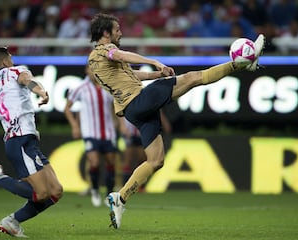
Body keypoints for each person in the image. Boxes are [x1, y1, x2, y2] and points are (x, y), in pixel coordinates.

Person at [88, 13, 265, 229]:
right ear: (106, 33)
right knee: (193, 78)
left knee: (155, 161)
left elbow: (131, 75)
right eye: (117, 30)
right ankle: (241, 64)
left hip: (134, 110)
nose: (121, 33)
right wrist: (154, 61)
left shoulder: (98, 60)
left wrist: (156, 74)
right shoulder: (102, 51)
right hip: (138, 101)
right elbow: (121, 55)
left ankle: (120, 197)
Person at [0, 46, 63, 237]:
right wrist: (42, 92)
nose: (12, 60)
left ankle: (11, 221)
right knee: (42, 194)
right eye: (10, 57)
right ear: (5, 61)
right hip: (20, 139)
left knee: (55, 191)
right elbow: (27, 81)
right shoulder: (15, 71)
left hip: (25, 141)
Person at [64, 65, 117, 207]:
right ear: (87, 71)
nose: (94, 71)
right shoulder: (80, 87)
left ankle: (109, 195)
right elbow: (67, 108)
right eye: (91, 69)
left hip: (109, 131)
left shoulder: (108, 86)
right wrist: (75, 126)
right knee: (94, 162)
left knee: (111, 163)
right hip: (90, 132)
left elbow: (114, 107)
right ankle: (94, 189)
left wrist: (118, 123)